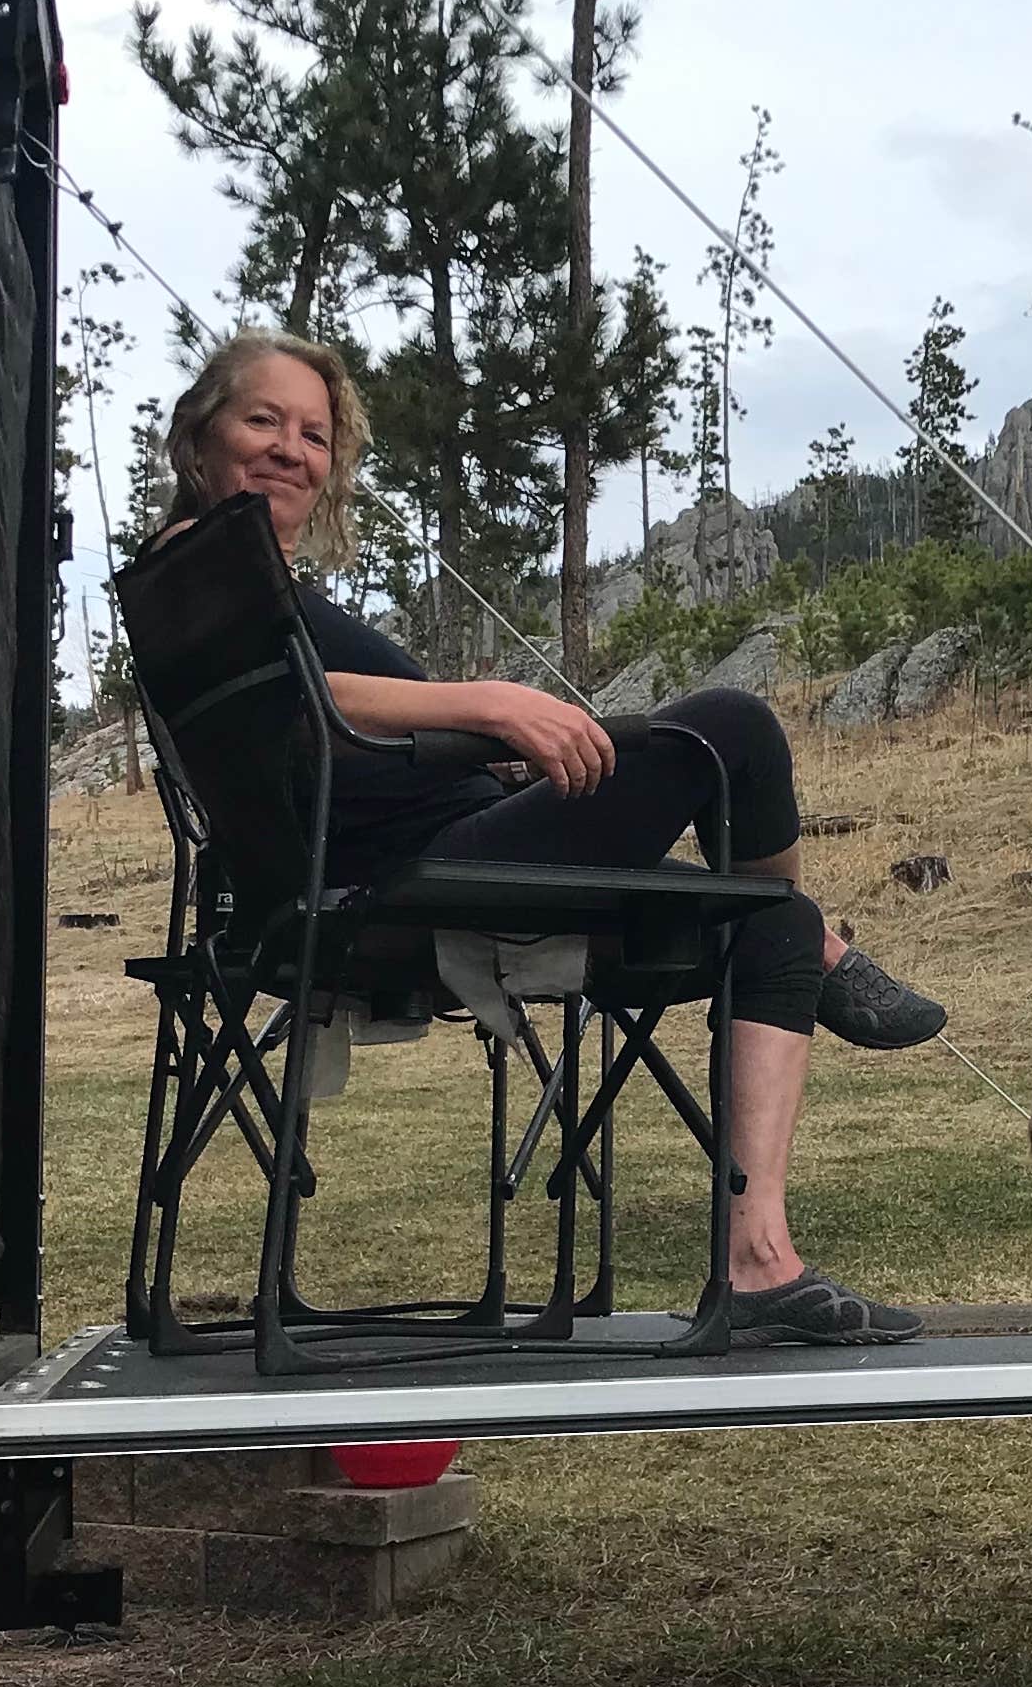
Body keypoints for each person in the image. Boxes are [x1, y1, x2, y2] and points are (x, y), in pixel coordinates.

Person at [153, 329, 936, 1347]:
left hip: (447, 846)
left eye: (314, 433)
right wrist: (492, 703)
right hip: (395, 884)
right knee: (730, 728)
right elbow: (280, 705)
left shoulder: (270, 589)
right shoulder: (193, 568)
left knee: (768, 925)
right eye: (263, 419)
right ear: (199, 438)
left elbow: (334, 732)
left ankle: (758, 1255)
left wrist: (487, 745)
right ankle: (824, 941)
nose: (289, 448)